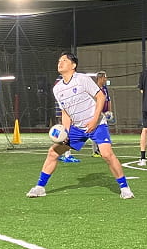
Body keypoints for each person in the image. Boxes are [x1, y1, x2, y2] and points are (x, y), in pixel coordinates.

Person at [27, 52, 133, 199]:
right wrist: (65, 131)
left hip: (97, 124)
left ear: (73, 65)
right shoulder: (57, 89)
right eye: (59, 61)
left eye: (64, 60)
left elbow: (100, 96)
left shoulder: (82, 79)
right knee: (53, 152)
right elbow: (65, 112)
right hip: (77, 128)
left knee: (107, 154)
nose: (60, 63)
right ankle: (40, 187)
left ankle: (125, 188)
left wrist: (94, 120)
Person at [92, 71, 111, 157]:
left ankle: (100, 149)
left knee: (102, 130)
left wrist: (109, 111)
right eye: (104, 77)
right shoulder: (94, 88)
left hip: (104, 113)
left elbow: (108, 100)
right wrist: (99, 112)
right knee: (97, 130)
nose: (106, 79)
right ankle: (96, 151)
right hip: (98, 113)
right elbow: (94, 101)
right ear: (100, 78)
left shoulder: (105, 88)